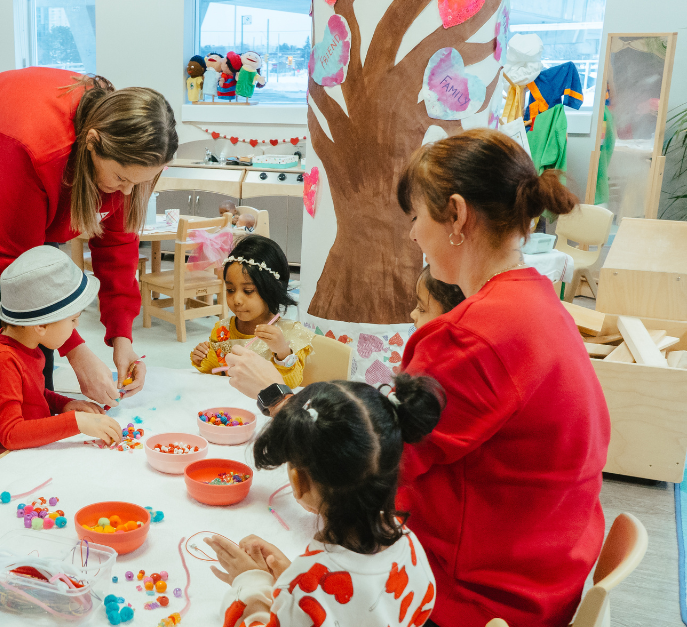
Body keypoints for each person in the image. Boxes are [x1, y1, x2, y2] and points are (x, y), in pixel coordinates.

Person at [224, 128, 609, 627]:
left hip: (483, 594)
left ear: (456, 215)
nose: (412, 235)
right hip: (549, 563)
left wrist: (276, 399)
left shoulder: (474, 335)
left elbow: (366, 464)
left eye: (416, 217)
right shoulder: (535, 298)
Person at [0, 67, 177, 456]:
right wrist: (78, 351)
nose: (126, 191)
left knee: (36, 354)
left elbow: (118, 247)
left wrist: (121, 338)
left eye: (138, 184)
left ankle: (34, 457)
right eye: (121, 179)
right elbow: (14, 258)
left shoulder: (127, 162)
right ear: (92, 143)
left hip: (14, 215)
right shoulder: (35, 143)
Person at [209, 373, 445, 627]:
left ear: (300, 482)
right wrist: (293, 578)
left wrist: (251, 583)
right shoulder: (407, 542)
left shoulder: (305, 589)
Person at [0, 247, 121, 468]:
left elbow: (33, 393)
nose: (76, 326)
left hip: (31, 452)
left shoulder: (27, 346)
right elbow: (10, 434)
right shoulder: (2, 361)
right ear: (40, 325)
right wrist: (75, 422)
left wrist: (64, 405)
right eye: (72, 320)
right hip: (5, 465)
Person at [191, 235, 312, 388]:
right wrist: (203, 357)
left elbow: (290, 385)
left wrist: (282, 352)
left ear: (272, 289)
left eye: (248, 291)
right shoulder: (223, 331)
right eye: (230, 290)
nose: (237, 300)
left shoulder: (289, 334)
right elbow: (219, 374)